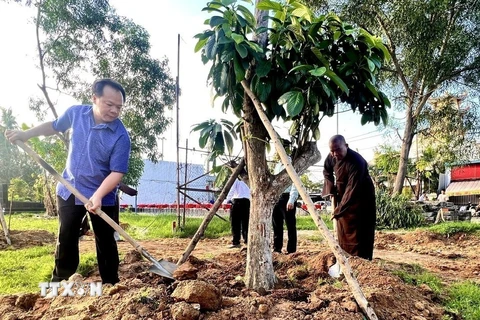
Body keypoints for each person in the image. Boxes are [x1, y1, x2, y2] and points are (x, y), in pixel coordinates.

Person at [5, 79, 130, 285]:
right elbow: (54, 127)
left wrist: (97, 196)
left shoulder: (120, 136)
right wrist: (26, 134)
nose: (114, 111)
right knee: (67, 238)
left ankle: (111, 286)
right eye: (109, 104)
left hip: (103, 194)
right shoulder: (76, 114)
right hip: (70, 188)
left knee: (106, 241)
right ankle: (61, 284)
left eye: (119, 107)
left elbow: (117, 173)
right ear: (94, 98)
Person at [322, 135, 376, 260]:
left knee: (361, 232)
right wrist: (330, 189)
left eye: (337, 150)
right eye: (332, 151)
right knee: (343, 229)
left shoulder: (357, 161)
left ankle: (362, 261)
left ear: (346, 146)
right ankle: (345, 259)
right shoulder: (332, 156)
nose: (335, 154)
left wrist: (338, 210)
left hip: (361, 198)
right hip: (343, 196)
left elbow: (352, 189)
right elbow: (326, 171)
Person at [272, 155, 299, 254]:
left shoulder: (291, 164)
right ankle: (277, 248)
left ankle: (291, 250)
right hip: (277, 197)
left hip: (287, 197)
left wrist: (292, 199)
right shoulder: (278, 165)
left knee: (290, 225)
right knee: (276, 225)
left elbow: (295, 183)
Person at [224, 177, 250, 248]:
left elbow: (231, 190)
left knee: (235, 223)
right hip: (247, 202)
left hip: (237, 201)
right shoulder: (249, 178)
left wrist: (226, 201)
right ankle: (247, 241)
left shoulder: (236, 178)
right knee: (246, 223)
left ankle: (236, 242)